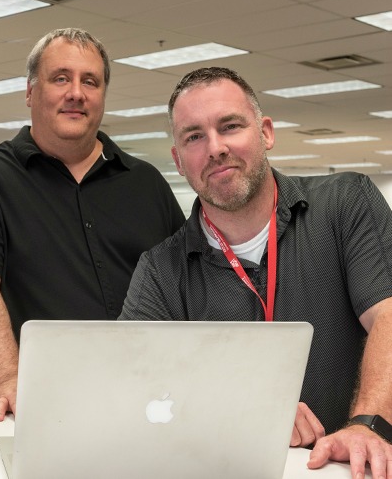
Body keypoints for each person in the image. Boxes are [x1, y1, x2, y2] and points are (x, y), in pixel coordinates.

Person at [119, 66, 392, 476]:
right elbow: (130, 385)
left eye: (230, 126)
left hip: (352, 467)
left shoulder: (344, 204)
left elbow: (388, 315)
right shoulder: (160, 270)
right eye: (194, 136)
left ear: (265, 133)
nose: (215, 148)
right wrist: (244, 407)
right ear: (178, 160)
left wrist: (368, 424)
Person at [0, 28, 185, 420]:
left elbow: (188, 286)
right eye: (61, 78)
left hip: (144, 409)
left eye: (91, 81)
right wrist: (9, 381)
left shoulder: (146, 183)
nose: (76, 92)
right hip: (33, 412)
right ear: (31, 92)